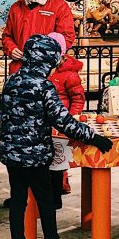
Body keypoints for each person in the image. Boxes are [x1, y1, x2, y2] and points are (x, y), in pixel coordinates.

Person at [0, 35, 112, 239]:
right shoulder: (43, 86)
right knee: (46, 200)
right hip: (35, 153)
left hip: (11, 152)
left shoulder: (12, 80)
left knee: (18, 200)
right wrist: (94, 137)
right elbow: (63, 121)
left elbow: (2, 114)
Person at [2, 0, 75, 74]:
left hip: (48, 70)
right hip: (20, 70)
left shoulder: (59, 6)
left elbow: (67, 36)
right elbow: (7, 36)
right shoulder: (16, 8)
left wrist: (46, 54)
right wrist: (11, 49)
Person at [47, 31, 85, 204]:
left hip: (61, 120)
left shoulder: (69, 75)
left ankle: (59, 187)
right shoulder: (46, 71)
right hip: (46, 120)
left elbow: (77, 97)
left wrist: (73, 116)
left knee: (59, 157)